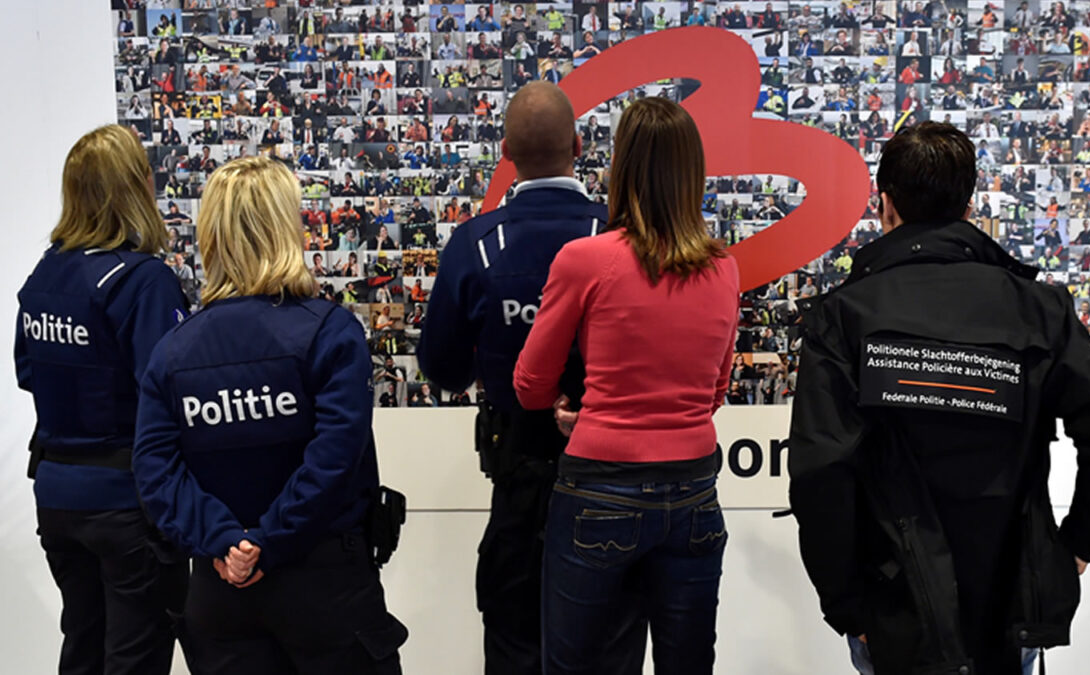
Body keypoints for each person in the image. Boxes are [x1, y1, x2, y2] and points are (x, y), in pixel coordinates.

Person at [787, 122, 1090, 675]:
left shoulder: (844, 315)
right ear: (969, 203)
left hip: (892, 605)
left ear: (884, 204)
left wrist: (844, 604)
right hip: (1009, 599)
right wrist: (1079, 543)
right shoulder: (1037, 308)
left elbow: (820, 472)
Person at [132, 156, 407, 673]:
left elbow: (157, 475)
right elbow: (334, 460)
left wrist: (229, 544)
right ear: (287, 227)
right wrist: (266, 543)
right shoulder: (328, 332)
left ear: (210, 233)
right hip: (325, 586)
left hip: (222, 591)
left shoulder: (172, 352)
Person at [418, 81, 644, 675]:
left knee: (516, 648)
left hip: (517, 481)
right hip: (612, 484)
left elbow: (440, 369)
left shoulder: (473, 245)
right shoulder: (625, 237)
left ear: (506, 151)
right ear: (578, 143)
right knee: (606, 651)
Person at [513, 96, 740, 674]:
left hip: (598, 488)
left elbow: (530, 384)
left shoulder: (584, 260)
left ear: (620, 166)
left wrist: (571, 410)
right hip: (693, 490)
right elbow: (715, 391)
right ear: (695, 172)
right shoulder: (723, 267)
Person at [14, 125, 190, 675]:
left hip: (58, 498)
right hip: (127, 503)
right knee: (135, 655)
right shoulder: (144, 282)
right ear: (139, 185)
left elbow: (27, 372)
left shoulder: (46, 272)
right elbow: (167, 393)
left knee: (83, 645)